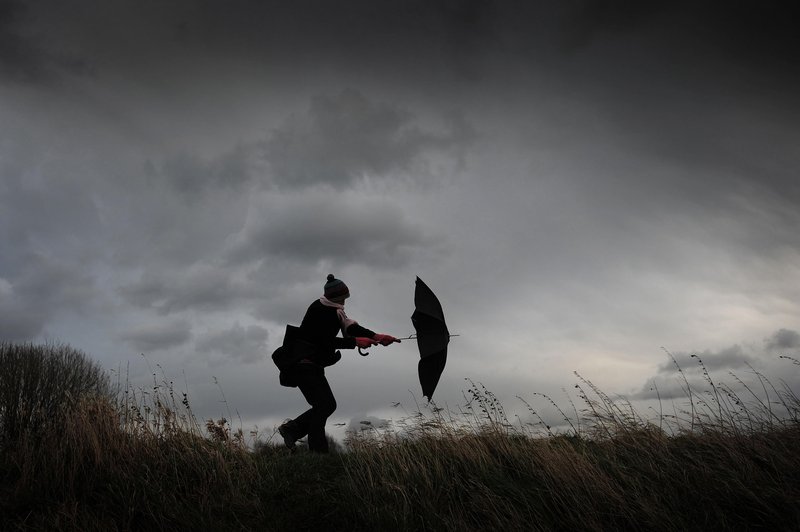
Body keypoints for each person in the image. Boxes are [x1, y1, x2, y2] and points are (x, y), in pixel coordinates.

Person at [277, 274, 399, 453]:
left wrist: (377, 336)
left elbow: (350, 327)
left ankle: (293, 429)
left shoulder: (333, 308)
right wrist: (355, 342)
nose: (345, 301)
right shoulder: (321, 311)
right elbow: (324, 341)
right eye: (343, 297)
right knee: (324, 405)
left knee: (326, 405)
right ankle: (318, 451)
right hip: (303, 364)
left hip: (311, 364)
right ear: (336, 297)